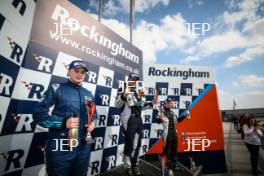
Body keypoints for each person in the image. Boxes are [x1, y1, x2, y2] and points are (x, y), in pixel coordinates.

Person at [33, 60, 97, 176]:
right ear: (69, 72)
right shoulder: (56, 88)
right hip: (60, 146)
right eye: (76, 71)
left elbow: (94, 115)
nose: (79, 74)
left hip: (83, 147)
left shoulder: (88, 93)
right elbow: (38, 116)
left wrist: (93, 123)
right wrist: (62, 123)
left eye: (82, 72)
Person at [115, 72, 157, 176]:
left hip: (139, 119)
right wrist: (124, 96)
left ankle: (135, 165)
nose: (133, 81)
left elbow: (141, 106)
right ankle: (127, 167)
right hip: (128, 118)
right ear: (128, 79)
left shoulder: (140, 91)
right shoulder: (123, 88)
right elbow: (116, 104)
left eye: (136, 80)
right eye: (132, 79)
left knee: (137, 144)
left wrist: (151, 103)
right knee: (129, 143)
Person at [156, 98, 190, 175]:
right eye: (171, 103)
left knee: (174, 150)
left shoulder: (172, 112)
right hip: (167, 134)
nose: (172, 104)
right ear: (166, 103)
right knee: (167, 151)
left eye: (172, 103)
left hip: (174, 133)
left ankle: (174, 165)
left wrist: (185, 115)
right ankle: (168, 168)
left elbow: (177, 121)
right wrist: (160, 117)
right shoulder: (162, 112)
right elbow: (157, 120)